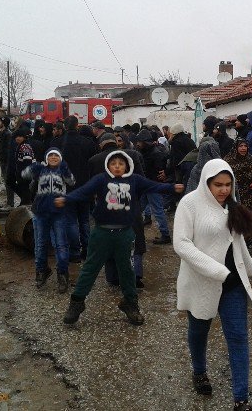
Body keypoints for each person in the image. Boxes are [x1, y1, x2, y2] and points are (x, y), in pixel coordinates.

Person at [173, 158, 252, 411]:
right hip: (203, 282)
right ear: (206, 183)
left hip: (233, 285)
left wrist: (249, 266)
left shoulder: (231, 206)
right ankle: (199, 371)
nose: (223, 190)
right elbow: (182, 244)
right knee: (199, 331)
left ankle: (241, 399)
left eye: (228, 185)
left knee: (238, 337)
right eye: (218, 185)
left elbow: (236, 242)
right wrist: (217, 271)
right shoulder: (189, 204)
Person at [59, 151, 183, 325]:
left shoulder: (135, 180)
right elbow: (83, 191)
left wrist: (172, 187)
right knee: (90, 268)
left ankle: (130, 304)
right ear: (108, 165)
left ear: (127, 165)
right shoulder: (101, 179)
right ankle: (77, 302)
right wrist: (66, 199)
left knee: (127, 270)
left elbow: (153, 186)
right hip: (101, 233)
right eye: (113, 163)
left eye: (121, 163)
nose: (117, 166)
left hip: (124, 234)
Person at [88, 133, 147, 288]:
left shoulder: (94, 161)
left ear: (101, 145)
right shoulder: (132, 155)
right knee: (135, 239)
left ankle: (113, 277)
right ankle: (135, 275)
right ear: (117, 143)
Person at [22, 148, 75, 293]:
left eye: (56, 155)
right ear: (46, 157)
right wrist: (33, 167)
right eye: (50, 155)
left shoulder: (63, 170)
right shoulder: (41, 170)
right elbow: (24, 174)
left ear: (60, 158)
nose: (53, 157)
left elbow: (72, 182)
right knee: (40, 244)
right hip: (41, 212)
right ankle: (41, 271)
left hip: (59, 213)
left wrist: (65, 169)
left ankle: (62, 274)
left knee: (61, 244)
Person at [59, 116, 97, 261]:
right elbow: (93, 165)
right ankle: (87, 250)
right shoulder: (88, 143)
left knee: (70, 221)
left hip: (67, 188)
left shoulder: (58, 142)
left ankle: (74, 252)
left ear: (64, 126)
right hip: (86, 186)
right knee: (84, 220)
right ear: (77, 126)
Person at [136, 129, 172, 245]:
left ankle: (165, 235)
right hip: (147, 185)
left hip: (151, 185)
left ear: (145, 142)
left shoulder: (154, 153)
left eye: (140, 142)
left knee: (157, 210)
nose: (138, 144)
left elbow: (159, 171)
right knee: (138, 208)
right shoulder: (148, 152)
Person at [225, 138, 252, 250]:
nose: (243, 148)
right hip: (235, 195)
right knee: (237, 219)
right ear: (236, 147)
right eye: (240, 146)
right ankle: (237, 244)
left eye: (245, 146)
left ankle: (250, 243)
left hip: (251, 195)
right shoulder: (228, 160)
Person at [12, 127, 35, 205]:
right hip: (22, 174)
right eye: (16, 137)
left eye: (19, 136)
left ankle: (26, 208)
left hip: (24, 175)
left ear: (24, 137)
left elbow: (27, 162)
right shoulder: (21, 145)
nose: (17, 138)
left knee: (25, 191)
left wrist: (24, 174)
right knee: (24, 191)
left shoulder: (25, 146)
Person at [0, 117, 14, 209]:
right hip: (3, 161)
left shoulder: (8, 134)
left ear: (3, 123)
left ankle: (10, 204)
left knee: (8, 183)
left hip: (6, 162)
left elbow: (8, 150)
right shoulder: (2, 133)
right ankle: (9, 202)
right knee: (7, 182)